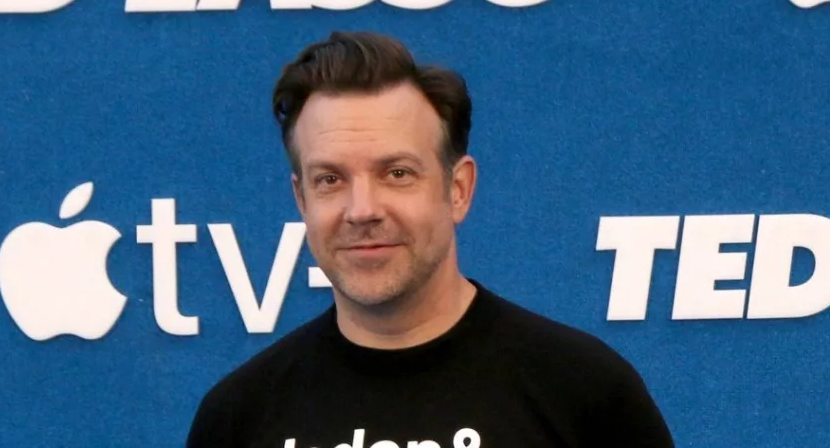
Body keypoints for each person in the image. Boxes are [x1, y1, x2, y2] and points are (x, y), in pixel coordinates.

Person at [185, 31, 675, 448]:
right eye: (330, 179)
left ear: (457, 189)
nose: (362, 210)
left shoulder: (585, 395)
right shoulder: (238, 418)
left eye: (396, 173)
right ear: (301, 199)